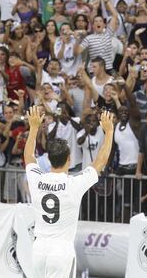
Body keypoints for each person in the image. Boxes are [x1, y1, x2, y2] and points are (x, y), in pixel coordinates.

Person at [24, 106, 114, 278]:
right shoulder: (74, 184)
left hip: (39, 249)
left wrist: (34, 128)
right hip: (61, 250)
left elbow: (28, 157)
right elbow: (100, 161)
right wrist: (109, 132)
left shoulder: (37, 180)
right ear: (69, 159)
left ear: (49, 159)